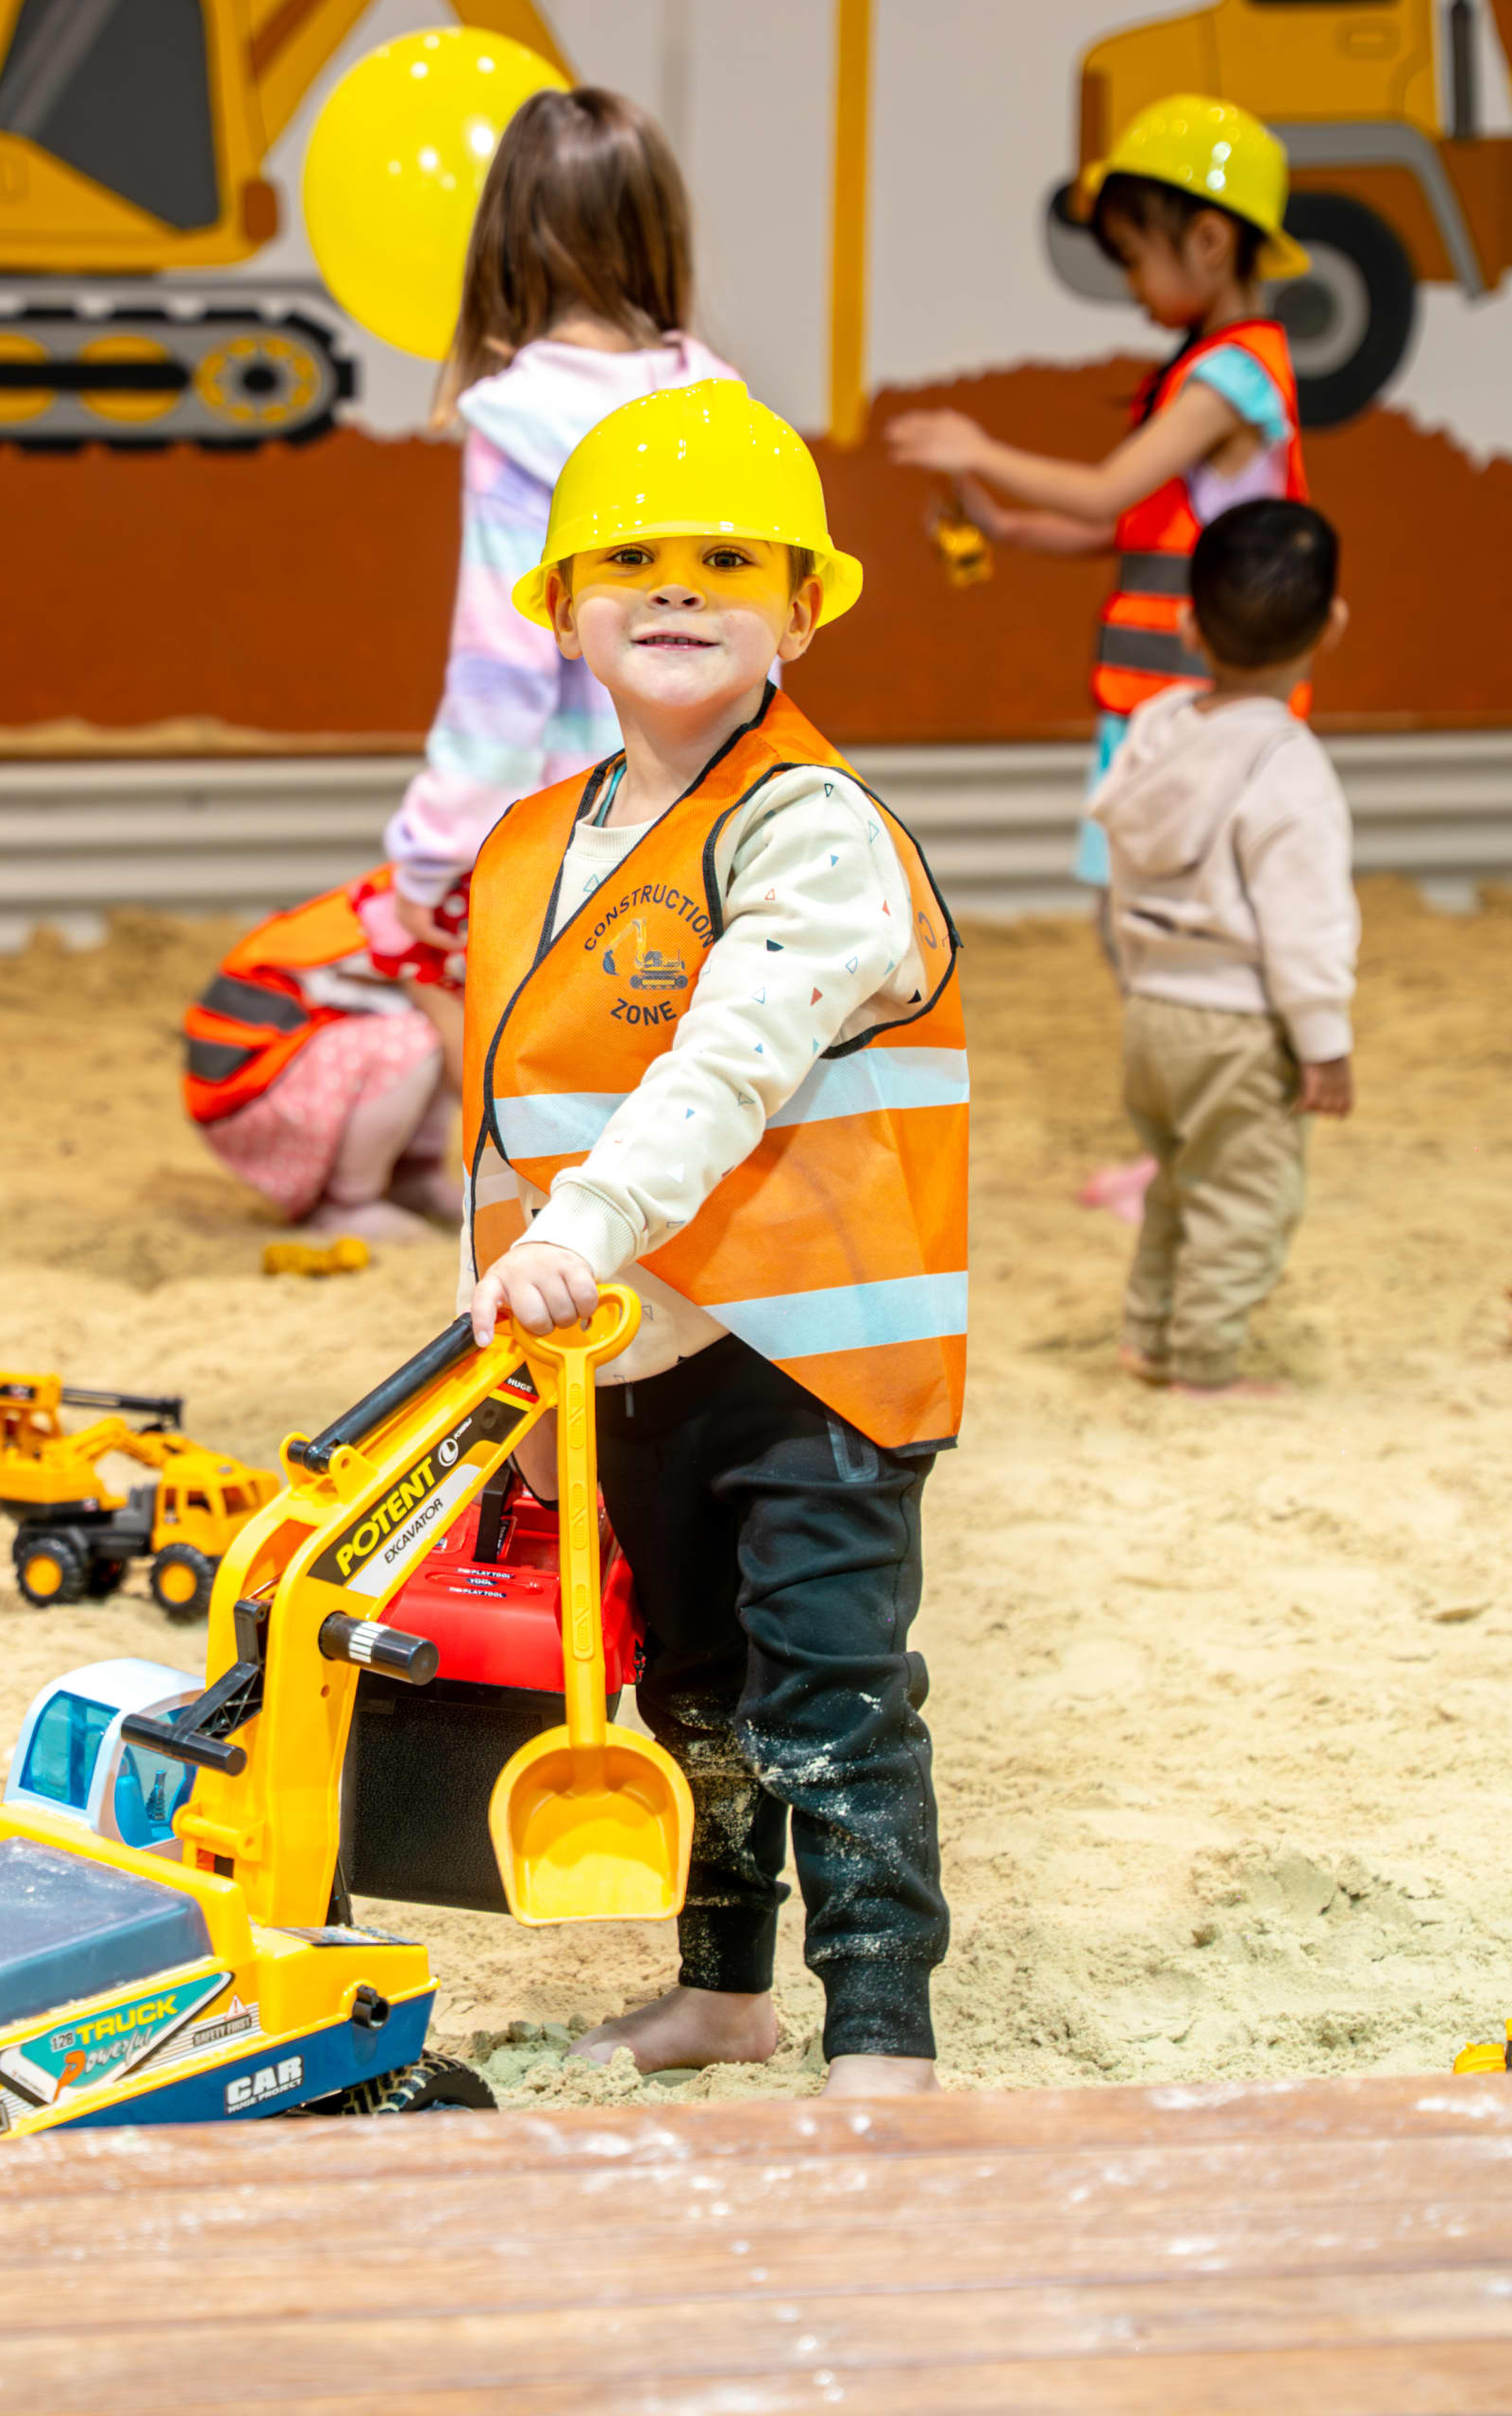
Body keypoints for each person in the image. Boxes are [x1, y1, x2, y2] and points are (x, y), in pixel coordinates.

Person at [456, 384, 966, 2100]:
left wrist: (585, 1231)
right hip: (638, 1354)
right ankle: (724, 1993)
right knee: (687, 1694)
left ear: (802, 612)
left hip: (816, 1358)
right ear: (563, 608)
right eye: (634, 559)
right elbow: (508, 1117)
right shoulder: (542, 841)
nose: (679, 587)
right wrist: (522, 1343)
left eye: (731, 561)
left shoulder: (810, 826)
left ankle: (882, 2033)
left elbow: (730, 1055)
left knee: (832, 1697)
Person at [883, 92, 1313, 1216]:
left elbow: (1111, 487)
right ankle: (1186, 1149)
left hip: (1202, 719)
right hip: (1159, 708)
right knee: (1143, 930)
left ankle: (1211, 1147)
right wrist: (1001, 514)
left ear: (1208, 240)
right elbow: (1127, 521)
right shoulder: (1205, 369)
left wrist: (981, 446)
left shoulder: (1234, 376)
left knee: (1181, 935)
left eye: (1134, 254)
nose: (1129, 283)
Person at [378, 85, 738, 961]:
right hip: (723, 826)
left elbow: (503, 674)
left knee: (412, 966)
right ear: (660, 230)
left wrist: (431, 858)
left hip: (576, 844)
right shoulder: (722, 404)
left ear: (505, 243)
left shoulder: (515, 425)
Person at [1092, 499, 1356, 1398]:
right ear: (1331, 625)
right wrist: (1324, 1042)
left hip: (1151, 1014)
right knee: (1245, 1197)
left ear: (1189, 625)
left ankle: (1149, 1336)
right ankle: (1205, 1367)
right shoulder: (1290, 765)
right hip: (1238, 1028)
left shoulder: (1157, 728)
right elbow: (1307, 925)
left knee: (1178, 1177)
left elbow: (1122, 861)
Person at [181, 865, 462, 1240]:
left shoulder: (438, 883)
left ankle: (412, 1177)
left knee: (439, 1033)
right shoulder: (436, 910)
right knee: (417, 1041)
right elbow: (464, 1059)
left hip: (279, 1064)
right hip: (246, 1088)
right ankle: (348, 1203)